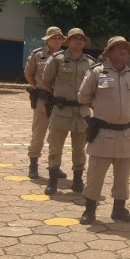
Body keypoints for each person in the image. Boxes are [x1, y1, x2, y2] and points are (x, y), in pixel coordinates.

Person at [77, 36, 130, 223]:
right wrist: (101, 108)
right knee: (95, 174)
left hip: (126, 134)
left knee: (123, 175)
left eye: (125, 48)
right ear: (109, 52)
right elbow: (83, 97)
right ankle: (90, 210)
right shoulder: (97, 72)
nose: (123, 51)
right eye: (118, 48)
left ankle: (119, 210)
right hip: (103, 132)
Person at [41, 28, 94, 196]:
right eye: (74, 38)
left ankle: (78, 181)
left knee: (80, 149)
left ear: (84, 42)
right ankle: (52, 181)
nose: (78, 41)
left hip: (82, 112)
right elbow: (47, 82)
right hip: (61, 109)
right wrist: (59, 95)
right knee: (55, 147)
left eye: (81, 39)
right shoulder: (57, 60)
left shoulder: (91, 63)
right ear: (68, 41)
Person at [23, 26, 67, 180]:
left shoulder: (67, 56)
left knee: (57, 137)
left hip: (60, 102)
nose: (57, 40)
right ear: (47, 40)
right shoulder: (38, 55)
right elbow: (28, 74)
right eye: (54, 38)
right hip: (43, 101)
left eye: (60, 38)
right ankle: (33, 165)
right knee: (38, 134)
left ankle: (54, 166)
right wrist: (38, 87)